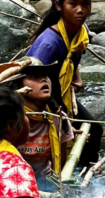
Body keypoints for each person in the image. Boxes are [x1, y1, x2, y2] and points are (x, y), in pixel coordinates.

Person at [27, 0, 101, 167]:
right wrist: (60, 115)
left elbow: (73, 55)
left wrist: (76, 77)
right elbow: (29, 80)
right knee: (54, 150)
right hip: (41, 102)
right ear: (59, 5)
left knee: (94, 129)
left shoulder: (80, 30)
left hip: (62, 93)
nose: (80, 10)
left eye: (85, 5)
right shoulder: (49, 44)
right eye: (73, 4)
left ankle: (84, 172)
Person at [11, 58, 74, 186]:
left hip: (43, 181)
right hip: (12, 180)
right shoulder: (7, 116)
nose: (43, 79)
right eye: (33, 76)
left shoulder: (58, 118)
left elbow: (61, 162)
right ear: (18, 87)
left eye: (45, 75)